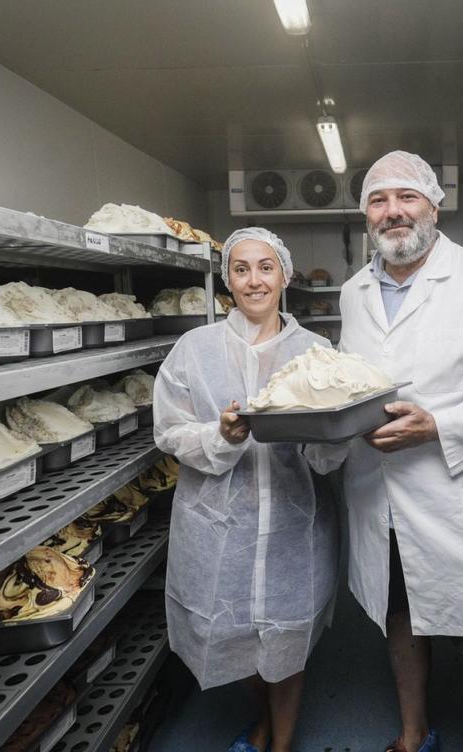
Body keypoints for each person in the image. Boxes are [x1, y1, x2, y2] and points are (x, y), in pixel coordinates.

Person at [309, 150, 463, 752]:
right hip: (380, 497)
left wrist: (438, 425)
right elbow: (354, 381)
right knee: (400, 620)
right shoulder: (355, 291)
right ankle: (413, 733)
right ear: (366, 214)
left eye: (406, 197)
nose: (393, 212)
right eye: (378, 200)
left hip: (461, 502)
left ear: (434, 207)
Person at [153, 227, 338, 752]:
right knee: (233, 635)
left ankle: (281, 741)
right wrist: (221, 435)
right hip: (217, 524)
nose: (254, 280)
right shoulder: (195, 349)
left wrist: (328, 432)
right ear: (227, 281)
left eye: (265, 267)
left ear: (285, 274)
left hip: (293, 521)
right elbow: (168, 431)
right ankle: (263, 718)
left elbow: (329, 454)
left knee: (285, 635)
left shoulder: (316, 352)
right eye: (240, 269)